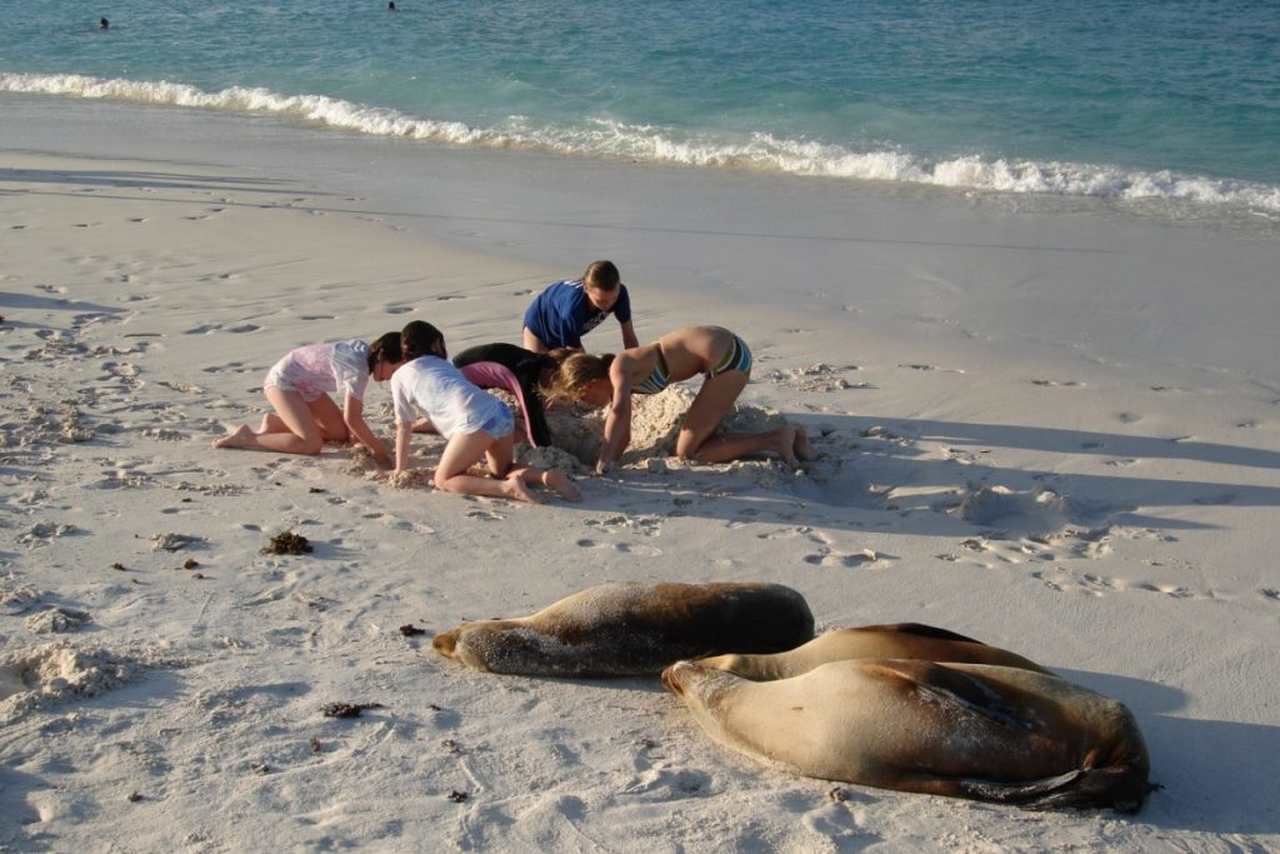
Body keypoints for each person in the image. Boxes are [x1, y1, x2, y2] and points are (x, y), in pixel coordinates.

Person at [546, 325, 816, 473]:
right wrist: (561, 398)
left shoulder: (619, 369)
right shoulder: (621, 373)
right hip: (724, 351)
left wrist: (606, 459)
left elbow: (619, 414)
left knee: (689, 451)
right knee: (696, 438)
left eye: (583, 397)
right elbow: (620, 422)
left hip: (726, 359)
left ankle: (776, 439)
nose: (587, 404)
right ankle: (797, 439)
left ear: (592, 382)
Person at [392, 322, 580, 503]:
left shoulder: (399, 376)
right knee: (503, 470)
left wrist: (399, 468)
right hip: (500, 412)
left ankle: (508, 489)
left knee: (444, 479)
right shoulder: (446, 365)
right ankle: (547, 477)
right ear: (436, 345)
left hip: (475, 422)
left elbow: (403, 427)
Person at [213, 333, 403, 465]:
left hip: (307, 386)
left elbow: (352, 424)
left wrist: (359, 441)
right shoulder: (357, 370)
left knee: (338, 434)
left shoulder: (364, 353)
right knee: (310, 445)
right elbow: (352, 417)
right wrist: (379, 453)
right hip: (283, 382)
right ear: (382, 356)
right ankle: (248, 438)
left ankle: (276, 424)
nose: (392, 376)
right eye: (394, 370)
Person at [452, 342, 567, 447]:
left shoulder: (535, 361)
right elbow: (533, 419)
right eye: (557, 382)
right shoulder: (526, 375)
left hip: (461, 366)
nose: (553, 388)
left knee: (528, 408)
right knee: (517, 426)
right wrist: (544, 446)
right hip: (456, 379)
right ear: (550, 371)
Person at [521, 260, 638, 353]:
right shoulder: (573, 309)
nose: (608, 305)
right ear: (586, 288)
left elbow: (629, 336)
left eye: (613, 298)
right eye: (601, 301)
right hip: (539, 329)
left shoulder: (621, 294)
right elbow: (576, 355)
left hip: (566, 330)